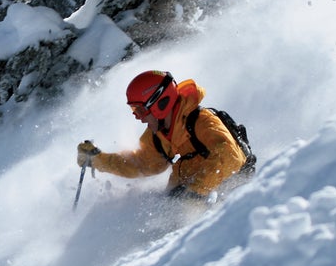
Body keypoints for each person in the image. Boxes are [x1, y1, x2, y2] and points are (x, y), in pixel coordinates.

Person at [77, 70, 248, 200]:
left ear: (160, 102)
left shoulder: (202, 121)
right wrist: (98, 160)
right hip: (190, 192)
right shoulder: (159, 134)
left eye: (140, 110)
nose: (139, 117)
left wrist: (197, 192)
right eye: (134, 110)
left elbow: (231, 157)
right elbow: (143, 165)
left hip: (230, 192)